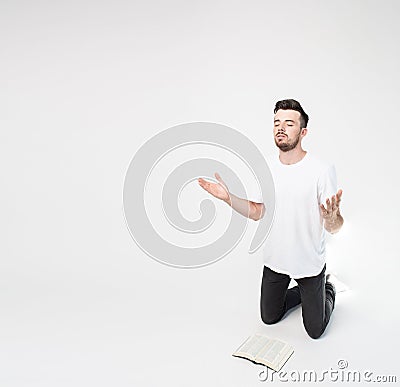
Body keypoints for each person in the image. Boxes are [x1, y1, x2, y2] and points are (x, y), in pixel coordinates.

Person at [197, 99, 344, 339]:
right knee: (269, 318)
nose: (281, 128)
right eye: (277, 122)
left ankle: (327, 287)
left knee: (315, 332)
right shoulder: (265, 166)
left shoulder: (322, 170)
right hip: (276, 261)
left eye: (289, 123)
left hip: (309, 264)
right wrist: (227, 198)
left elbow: (335, 227)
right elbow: (257, 212)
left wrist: (332, 216)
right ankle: (307, 294)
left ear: (303, 131)